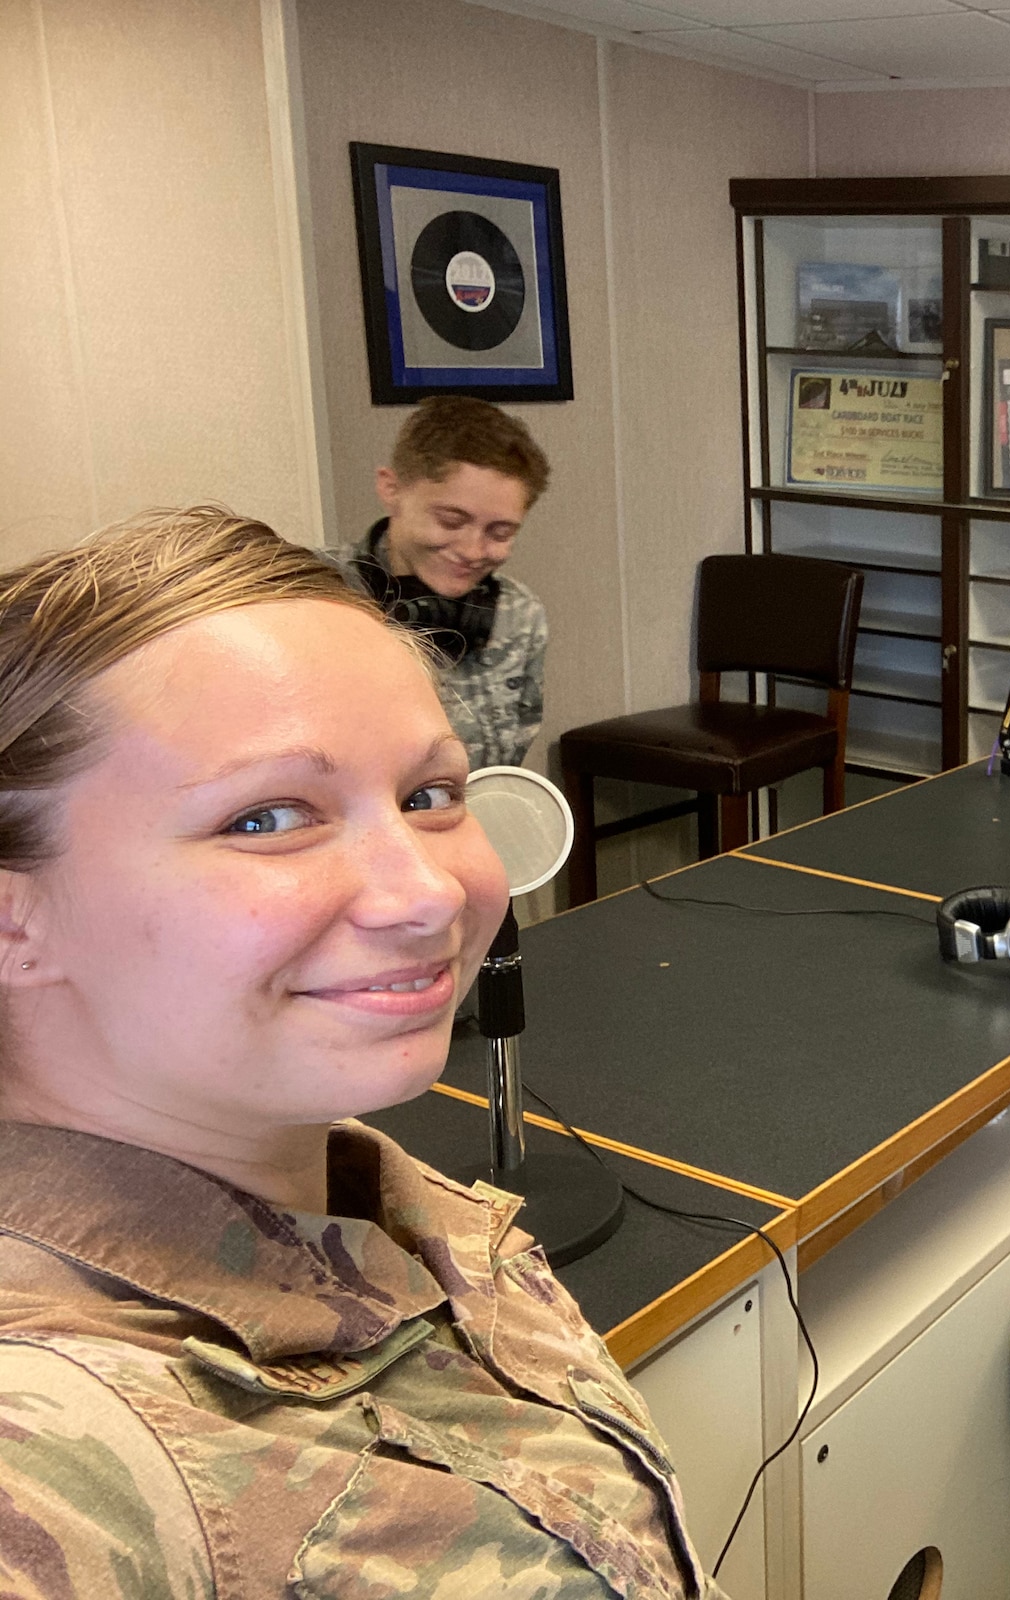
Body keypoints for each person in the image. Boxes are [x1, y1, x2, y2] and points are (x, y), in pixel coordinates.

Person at [0, 510, 720, 1598]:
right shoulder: (55, 1446)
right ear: (15, 918)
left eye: (430, 796)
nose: (428, 891)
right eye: (268, 817)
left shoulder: (386, 1206)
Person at [332, 394, 551, 770]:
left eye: (500, 532)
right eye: (451, 521)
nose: (472, 550)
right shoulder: (311, 597)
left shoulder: (520, 615)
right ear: (391, 489)